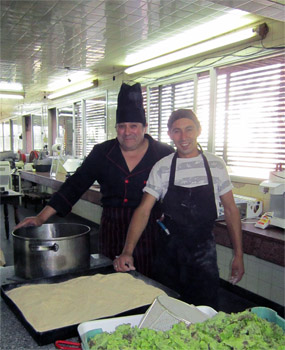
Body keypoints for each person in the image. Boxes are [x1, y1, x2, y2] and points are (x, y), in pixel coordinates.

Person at [14, 83, 174, 277]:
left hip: (149, 232)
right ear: (116, 128)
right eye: (122, 126)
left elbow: (177, 190)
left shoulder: (163, 154)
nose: (127, 132)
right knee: (110, 282)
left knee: (148, 283)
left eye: (133, 126)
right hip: (112, 230)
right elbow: (74, 186)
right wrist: (41, 217)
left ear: (144, 127)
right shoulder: (103, 153)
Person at [114, 109, 244, 309]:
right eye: (177, 131)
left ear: (199, 130)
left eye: (189, 129)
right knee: (166, 309)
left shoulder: (216, 165)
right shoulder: (163, 167)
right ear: (170, 134)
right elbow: (143, 211)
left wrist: (238, 254)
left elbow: (231, 210)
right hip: (169, 254)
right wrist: (127, 251)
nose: (183, 137)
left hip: (204, 255)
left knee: (205, 313)